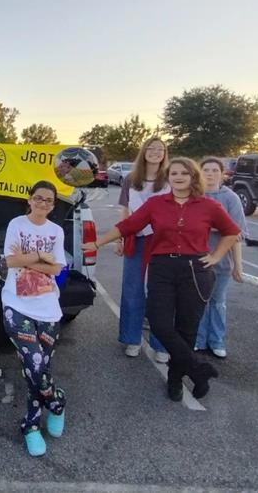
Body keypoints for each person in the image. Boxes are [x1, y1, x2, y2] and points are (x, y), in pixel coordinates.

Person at [83, 158, 240, 402]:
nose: (178, 177)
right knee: (159, 324)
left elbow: (232, 232)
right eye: (173, 173)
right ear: (168, 178)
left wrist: (216, 256)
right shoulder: (156, 204)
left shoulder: (208, 205)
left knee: (186, 330)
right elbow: (128, 225)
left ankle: (175, 381)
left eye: (183, 173)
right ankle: (198, 369)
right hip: (162, 269)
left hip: (195, 271)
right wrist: (97, 243)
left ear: (193, 177)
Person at [2, 180, 67, 457]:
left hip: (48, 307)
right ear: (29, 200)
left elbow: (56, 269)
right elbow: (9, 261)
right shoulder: (16, 224)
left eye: (48, 200)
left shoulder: (56, 231)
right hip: (16, 304)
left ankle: (34, 422)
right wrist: (40, 255)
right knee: (35, 364)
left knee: (35, 372)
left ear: (53, 205)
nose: (42, 203)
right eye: (38, 198)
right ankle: (55, 403)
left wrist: (27, 258)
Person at [116, 136, 170, 362]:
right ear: (144, 151)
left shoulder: (169, 178)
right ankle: (132, 339)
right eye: (151, 148)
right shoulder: (131, 179)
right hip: (136, 240)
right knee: (133, 289)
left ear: (165, 153)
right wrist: (121, 237)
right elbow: (125, 210)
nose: (155, 152)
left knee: (162, 293)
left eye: (160, 149)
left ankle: (161, 344)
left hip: (163, 242)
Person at [195, 157, 247, 358]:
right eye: (205, 169)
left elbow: (236, 234)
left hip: (222, 261)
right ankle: (198, 339)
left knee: (217, 302)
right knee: (200, 301)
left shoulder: (230, 198)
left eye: (214, 170)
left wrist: (238, 266)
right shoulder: (194, 196)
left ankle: (216, 340)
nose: (210, 173)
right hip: (197, 260)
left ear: (222, 173)